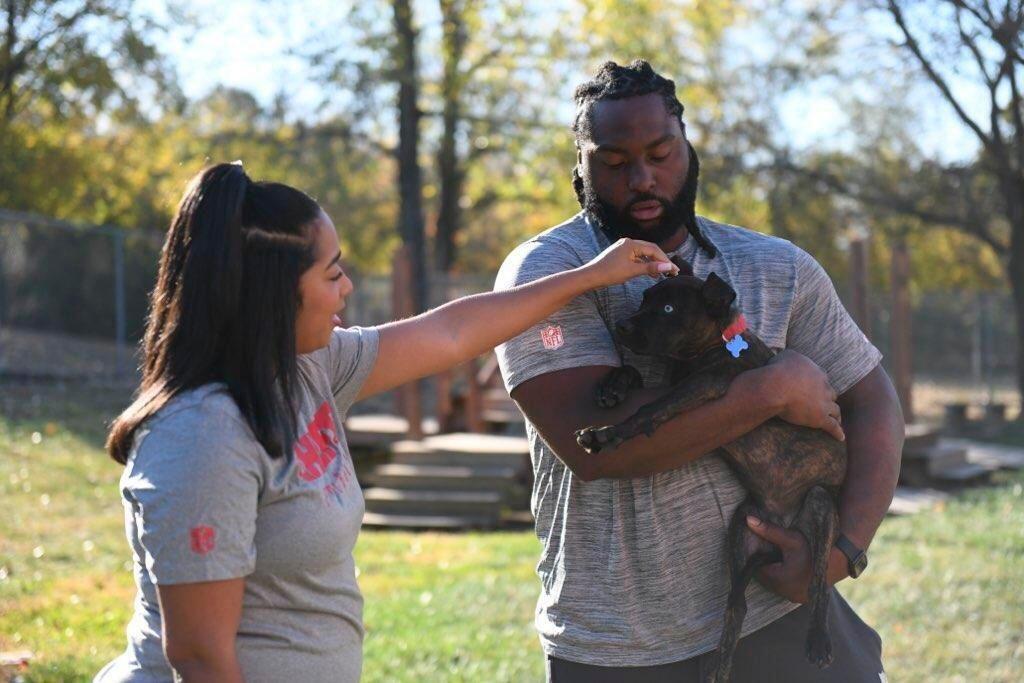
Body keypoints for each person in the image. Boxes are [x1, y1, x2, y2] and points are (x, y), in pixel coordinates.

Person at [94, 161, 679, 683]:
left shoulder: (305, 370)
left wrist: (590, 275)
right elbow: (198, 660)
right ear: (271, 294)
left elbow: (451, 334)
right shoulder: (203, 435)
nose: (347, 287)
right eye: (332, 273)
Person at [494, 60, 904, 682]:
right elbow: (596, 449)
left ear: (688, 147)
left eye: (661, 153)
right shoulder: (547, 278)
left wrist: (842, 552)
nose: (642, 179)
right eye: (613, 162)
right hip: (620, 646)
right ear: (580, 166)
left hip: (777, 617)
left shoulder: (777, 267)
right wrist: (766, 391)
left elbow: (874, 402)